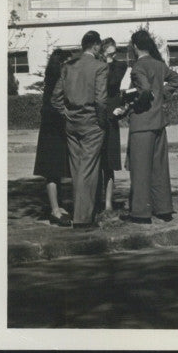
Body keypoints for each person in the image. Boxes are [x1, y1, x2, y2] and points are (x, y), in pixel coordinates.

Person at [122, 29, 178, 225]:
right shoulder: (158, 64)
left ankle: (140, 213)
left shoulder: (137, 67)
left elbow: (145, 90)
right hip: (159, 122)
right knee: (159, 168)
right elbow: (177, 79)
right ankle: (164, 209)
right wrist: (162, 94)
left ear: (135, 47)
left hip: (141, 123)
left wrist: (134, 102)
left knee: (140, 170)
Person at [51, 30, 108, 229]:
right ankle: (83, 219)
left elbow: (55, 98)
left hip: (72, 122)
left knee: (77, 170)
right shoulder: (100, 67)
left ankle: (80, 213)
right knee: (88, 169)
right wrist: (101, 121)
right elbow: (101, 99)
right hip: (91, 121)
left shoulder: (68, 67)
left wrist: (65, 112)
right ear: (96, 46)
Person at [33, 49, 72, 226]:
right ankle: (55, 209)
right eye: (68, 62)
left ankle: (58, 206)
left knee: (56, 170)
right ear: (61, 63)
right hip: (52, 129)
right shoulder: (57, 81)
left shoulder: (52, 79)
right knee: (51, 170)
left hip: (52, 128)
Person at [98, 37, 127, 214]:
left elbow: (112, 82)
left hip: (111, 116)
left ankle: (108, 203)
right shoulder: (97, 65)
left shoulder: (119, 66)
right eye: (109, 53)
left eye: (114, 53)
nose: (113, 56)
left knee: (109, 163)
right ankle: (95, 201)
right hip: (97, 116)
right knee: (95, 162)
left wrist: (106, 62)